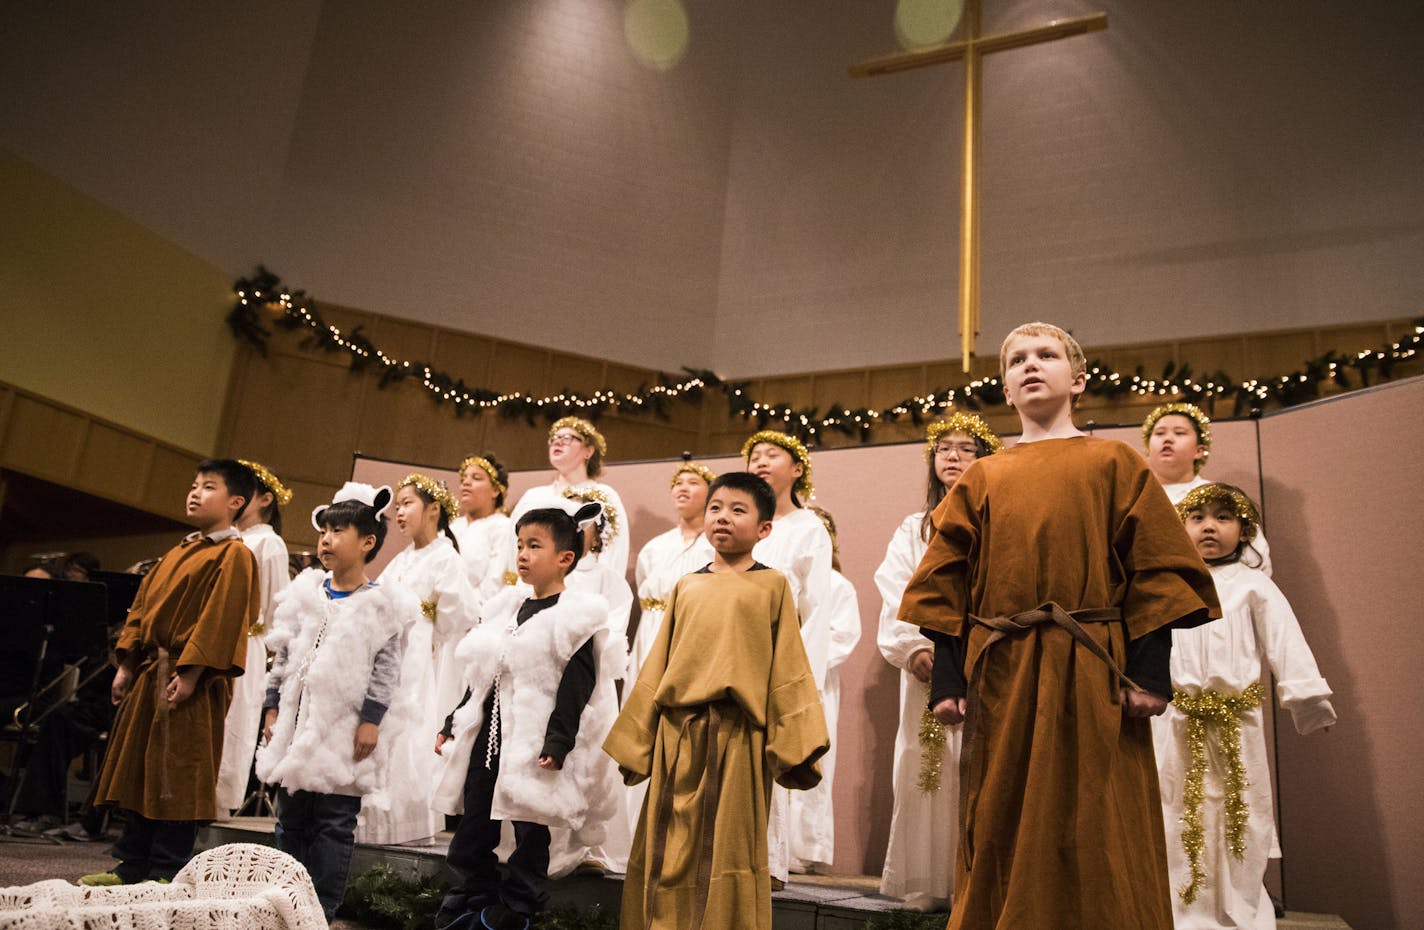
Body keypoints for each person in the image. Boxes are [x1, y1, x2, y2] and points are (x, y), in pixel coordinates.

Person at [899, 322, 1221, 930]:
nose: (1030, 365)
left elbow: (1157, 568)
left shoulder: (1115, 461)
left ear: (1076, 379)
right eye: (1017, 358)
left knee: (1096, 813)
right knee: (1002, 812)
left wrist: (1148, 671)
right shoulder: (981, 477)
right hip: (1003, 672)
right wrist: (948, 679)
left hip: (1092, 668)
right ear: (1005, 388)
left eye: (1046, 355)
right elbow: (944, 582)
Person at [605, 471, 829, 930]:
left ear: (765, 529)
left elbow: (787, 666)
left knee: (729, 847)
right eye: (716, 508)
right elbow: (659, 664)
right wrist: (640, 738)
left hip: (739, 737)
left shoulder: (773, 587)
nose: (722, 517)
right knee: (668, 845)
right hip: (677, 737)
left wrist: (793, 744)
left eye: (738, 510)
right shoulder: (687, 586)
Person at [432, 500, 622, 930]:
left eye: (534, 546)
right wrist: (453, 721)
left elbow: (577, 687)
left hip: (533, 738)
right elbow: (480, 676)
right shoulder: (505, 608)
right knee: (475, 814)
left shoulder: (575, 616)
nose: (522, 555)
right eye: (519, 545)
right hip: (488, 733)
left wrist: (558, 742)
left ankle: (519, 901)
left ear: (565, 558)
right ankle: (475, 887)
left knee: (529, 824)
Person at [1155, 483, 1336, 930]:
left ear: (1245, 529)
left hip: (1236, 723)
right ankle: (1178, 910)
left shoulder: (1255, 587)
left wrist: (1309, 702)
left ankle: (1240, 909)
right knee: (1172, 807)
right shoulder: (1164, 586)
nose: (1210, 527)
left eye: (1223, 517)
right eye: (1197, 518)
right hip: (1174, 720)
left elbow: (1285, 642)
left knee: (1241, 811)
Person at [82, 459, 261, 886]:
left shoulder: (234, 555)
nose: (195, 492)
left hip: (190, 678)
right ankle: (131, 864)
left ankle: (166, 868)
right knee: (142, 767)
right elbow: (143, 606)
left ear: (236, 501)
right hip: (151, 671)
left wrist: (194, 672)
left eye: (209, 486)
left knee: (178, 772)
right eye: (194, 485)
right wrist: (126, 664)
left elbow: (221, 618)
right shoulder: (181, 549)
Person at [255, 482, 420, 921]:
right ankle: (281, 899)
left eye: (339, 531)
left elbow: (387, 670)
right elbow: (283, 654)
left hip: (343, 728)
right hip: (297, 724)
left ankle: (321, 906)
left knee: (334, 821)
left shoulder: (382, 604)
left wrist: (371, 719)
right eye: (324, 530)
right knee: (291, 819)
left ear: (367, 542)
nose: (326, 539)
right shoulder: (306, 593)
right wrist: (273, 706)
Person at [874, 414, 1001, 911]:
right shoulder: (915, 528)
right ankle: (927, 880)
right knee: (926, 766)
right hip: (928, 660)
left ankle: (978, 882)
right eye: (943, 448)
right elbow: (897, 588)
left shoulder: (999, 522)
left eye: (966, 448)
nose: (952, 456)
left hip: (985, 657)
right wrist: (913, 646)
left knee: (982, 765)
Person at [742, 429, 836, 877]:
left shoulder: (809, 528)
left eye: (772, 454)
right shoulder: (739, 521)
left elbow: (816, 608)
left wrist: (803, 680)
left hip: (780, 654)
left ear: (796, 469)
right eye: (754, 455)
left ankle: (764, 864)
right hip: (735, 652)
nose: (760, 461)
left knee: (766, 756)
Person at [369, 473, 479, 845]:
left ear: (433, 509)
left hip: (416, 652)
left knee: (409, 727)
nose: (399, 512)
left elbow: (461, 612)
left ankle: (405, 819)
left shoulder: (445, 556)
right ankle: (375, 817)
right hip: (390, 651)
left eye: (407, 503)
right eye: (396, 505)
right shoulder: (402, 559)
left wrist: (426, 632)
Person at [625, 459, 715, 839]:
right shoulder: (656, 546)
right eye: (677, 483)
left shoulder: (713, 545)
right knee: (640, 721)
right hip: (650, 633)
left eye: (692, 483)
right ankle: (631, 824)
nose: (682, 489)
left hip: (686, 635)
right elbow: (645, 589)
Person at [215, 459, 292, 815]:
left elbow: (278, 608)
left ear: (264, 500)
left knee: (232, 724)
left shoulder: (268, 544)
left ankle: (217, 804)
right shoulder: (226, 538)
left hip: (246, 644)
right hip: (214, 640)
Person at [1142, 402, 1273, 575]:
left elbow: (1256, 560)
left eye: (1179, 432)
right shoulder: (1135, 498)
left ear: (1199, 450)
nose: (1167, 439)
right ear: (1147, 449)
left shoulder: (1222, 498)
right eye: (1159, 433)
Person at [509, 417, 631, 576]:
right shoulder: (533, 497)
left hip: (586, 585)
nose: (557, 442)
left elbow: (615, 549)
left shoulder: (604, 495)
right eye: (553, 439)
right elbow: (512, 546)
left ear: (589, 451)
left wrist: (605, 590)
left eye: (567, 438)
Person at [452, 453, 516, 600]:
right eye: (463, 479)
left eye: (476, 478)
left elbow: (495, 582)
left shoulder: (503, 527)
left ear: (495, 490)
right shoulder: (453, 526)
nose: (466, 483)